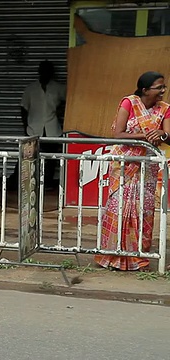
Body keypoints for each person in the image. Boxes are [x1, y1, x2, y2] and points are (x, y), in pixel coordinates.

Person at [95, 71, 170, 271]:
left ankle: (139, 257)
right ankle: (112, 256)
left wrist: (162, 133)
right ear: (145, 90)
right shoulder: (129, 103)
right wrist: (144, 136)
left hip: (147, 168)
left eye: (164, 87)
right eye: (159, 87)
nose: (163, 91)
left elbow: (169, 136)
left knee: (144, 211)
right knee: (118, 208)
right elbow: (118, 134)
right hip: (124, 165)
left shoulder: (164, 109)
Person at [20, 60, 66, 189]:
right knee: (30, 158)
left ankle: (47, 184)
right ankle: (29, 185)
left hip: (52, 129)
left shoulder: (59, 88)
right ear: (39, 72)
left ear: (52, 73)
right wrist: (25, 127)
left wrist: (60, 110)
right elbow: (23, 108)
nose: (45, 73)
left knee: (50, 159)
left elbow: (70, 101)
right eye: (43, 70)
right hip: (33, 128)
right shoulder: (31, 89)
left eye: (48, 71)